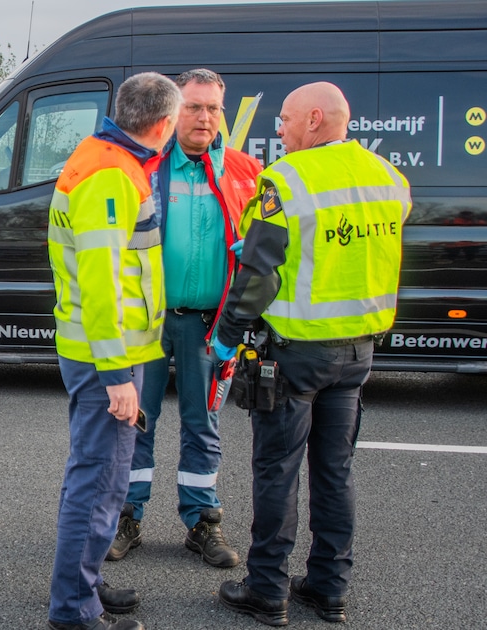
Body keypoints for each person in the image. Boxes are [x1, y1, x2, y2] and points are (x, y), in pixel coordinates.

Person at [209, 82, 412, 626]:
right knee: (335, 471)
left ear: (316, 119)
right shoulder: (388, 177)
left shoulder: (287, 181)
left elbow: (258, 275)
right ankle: (328, 586)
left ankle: (267, 590)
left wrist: (226, 335)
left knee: (277, 471)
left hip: (295, 355)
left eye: (286, 119)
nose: (279, 129)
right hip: (358, 354)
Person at [108, 69, 262, 568]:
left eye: (213, 108)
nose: (203, 117)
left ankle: (202, 522)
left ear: (223, 113)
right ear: (174, 113)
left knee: (203, 424)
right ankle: (125, 516)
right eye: (193, 107)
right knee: (135, 421)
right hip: (149, 322)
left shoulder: (245, 171)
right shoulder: (146, 168)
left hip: (208, 326)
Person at [46, 72, 181, 630]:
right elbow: (102, 282)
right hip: (108, 354)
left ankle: (86, 585)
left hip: (102, 349)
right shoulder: (112, 175)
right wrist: (117, 374)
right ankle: (75, 610)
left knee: (98, 476)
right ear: (166, 124)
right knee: (100, 481)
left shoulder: (104, 158)